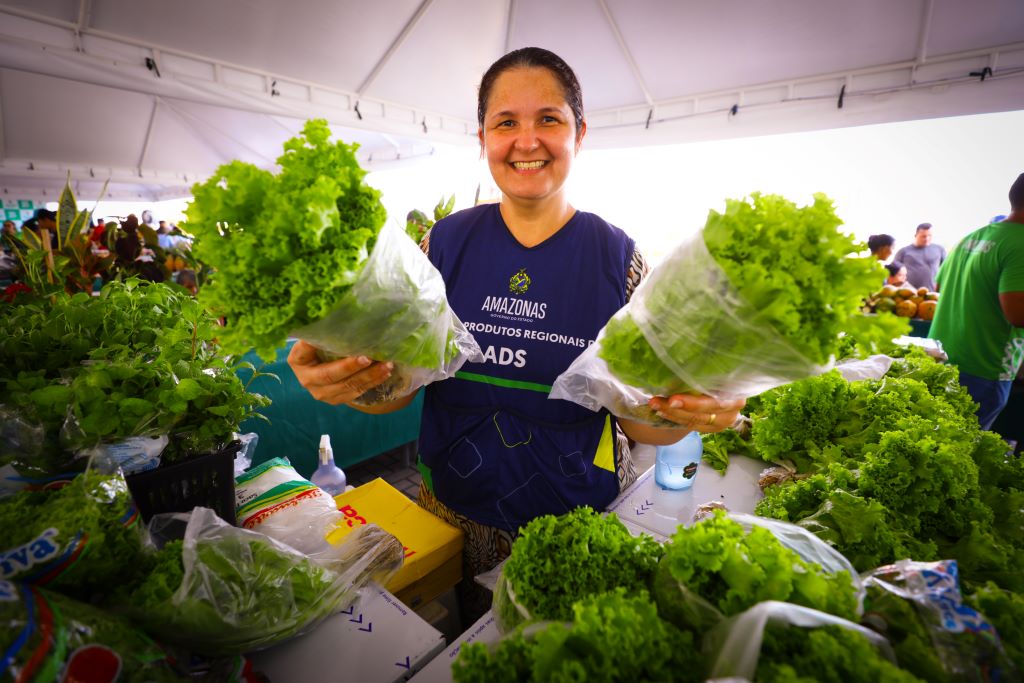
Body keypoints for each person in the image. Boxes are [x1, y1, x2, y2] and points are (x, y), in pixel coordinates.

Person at [287, 47, 745, 622]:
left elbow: (638, 423)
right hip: (455, 510)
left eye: (548, 119)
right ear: (483, 138)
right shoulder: (441, 246)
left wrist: (687, 406)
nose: (526, 141)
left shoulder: (619, 258)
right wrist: (348, 376)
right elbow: (396, 392)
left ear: (580, 133)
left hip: (580, 517)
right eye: (506, 123)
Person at [929, 173, 1024, 430]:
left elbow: (938, 286)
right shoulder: (1021, 244)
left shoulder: (972, 236)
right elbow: (1017, 313)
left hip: (943, 357)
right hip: (985, 368)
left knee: (936, 443)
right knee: (960, 452)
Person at [894, 223, 946, 290]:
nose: (927, 239)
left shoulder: (939, 249)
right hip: (909, 293)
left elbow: (946, 270)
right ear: (916, 235)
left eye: (929, 236)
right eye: (923, 236)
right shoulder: (903, 252)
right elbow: (894, 273)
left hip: (933, 293)